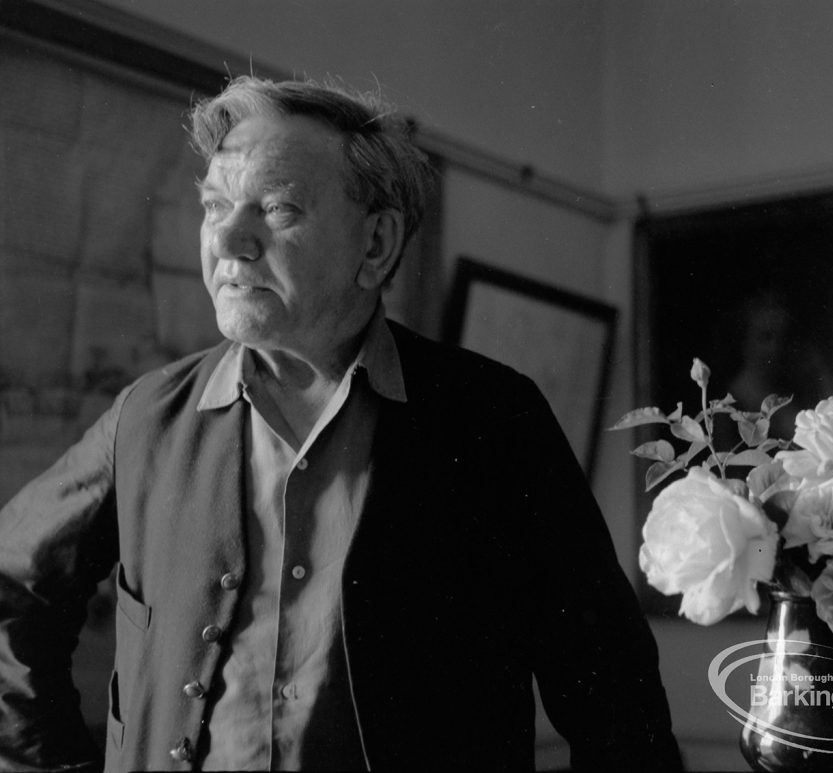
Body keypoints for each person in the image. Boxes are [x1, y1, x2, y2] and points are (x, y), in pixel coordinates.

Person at [0, 77, 682, 772]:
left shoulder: (496, 421)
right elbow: (10, 596)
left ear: (376, 243)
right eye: (214, 206)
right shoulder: (148, 417)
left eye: (277, 207)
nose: (229, 240)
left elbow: (615, 699)